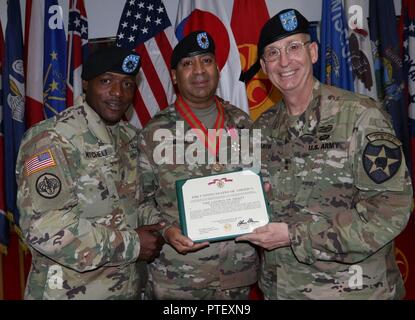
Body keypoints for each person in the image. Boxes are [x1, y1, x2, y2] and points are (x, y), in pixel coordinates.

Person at [236, 9, 413, 299]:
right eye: (273, 53)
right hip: (283, 290)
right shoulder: (261, 129)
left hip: (353, 292)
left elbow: (390, 211)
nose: (284, 62)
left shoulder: (360, 116)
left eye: (294, 47)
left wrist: (295, 236)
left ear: (314, 52)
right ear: (265, 69)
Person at [16, 46, 165, 300]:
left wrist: (167, 225)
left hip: (124, 290)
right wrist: (133, 245)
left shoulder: (128, 138)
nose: (118, 93)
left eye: (127, 84)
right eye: (106, 81)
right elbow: (47, 228)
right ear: (86, 84)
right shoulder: (52, 139)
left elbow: (135, 203)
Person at [138, 30, 258, 299]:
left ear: (217, 68)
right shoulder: (153, 133)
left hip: (237, 275)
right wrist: (166, 230)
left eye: (206, 60)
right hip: (178, 279)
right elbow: (139, 203)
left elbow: (263, 186)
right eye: (187, 64)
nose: (199, 70)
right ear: (173, 76)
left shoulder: (243, 123)